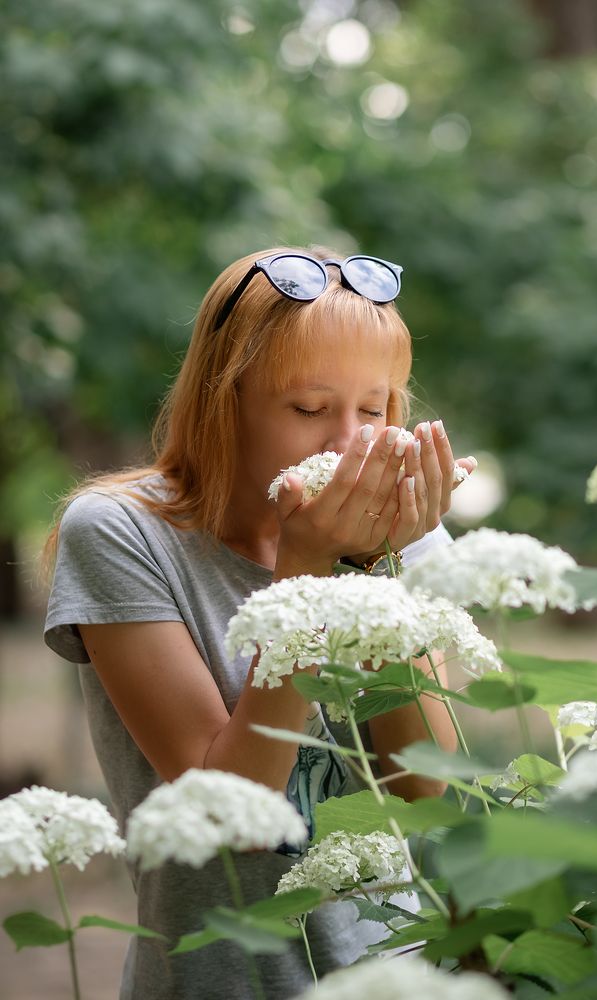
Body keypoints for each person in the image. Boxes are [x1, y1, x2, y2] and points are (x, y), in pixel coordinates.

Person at [43, 246, 476, 1000]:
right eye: (309, 409)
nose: (349, 442)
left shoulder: (402, 535)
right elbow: (228, 816)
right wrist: (308, 571)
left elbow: (426, 793)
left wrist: (372, 569)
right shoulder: (118, 533)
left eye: (373, 409)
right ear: (224, 400)